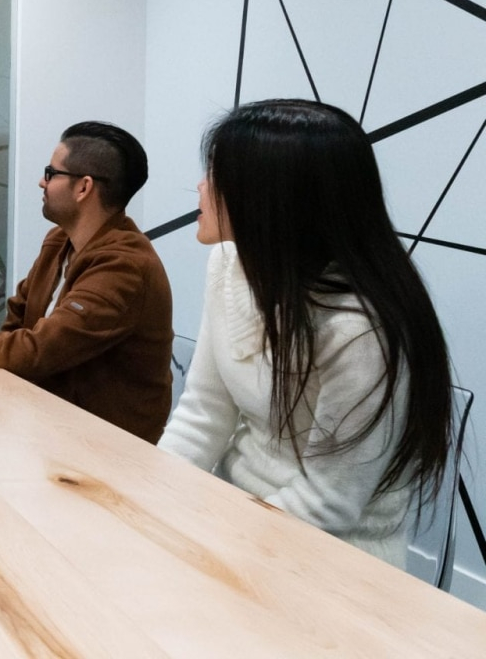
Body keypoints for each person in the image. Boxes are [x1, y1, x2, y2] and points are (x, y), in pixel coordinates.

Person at [158, 99, 453, 565]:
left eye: (216, 175)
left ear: (269, 199)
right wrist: (151, 500)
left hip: (335, 558)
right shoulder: (230, 264)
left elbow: (327, 502)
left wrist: (213, 546)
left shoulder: (361, 329)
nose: (200, 187)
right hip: (237, 520)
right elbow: (204, 413)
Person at [0, 122, 174, 443]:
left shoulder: (124, 266)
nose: (41, 182)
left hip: (105, 445)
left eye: (51, 173)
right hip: (45, 421)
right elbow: (16, 326)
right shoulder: (60, 241)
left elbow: (34, 352)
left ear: (83, 188)